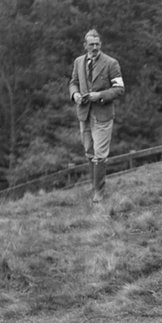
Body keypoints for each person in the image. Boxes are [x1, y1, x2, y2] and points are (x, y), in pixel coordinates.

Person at [69, 29, 124, 203]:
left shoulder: (111, 63)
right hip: (84, 114)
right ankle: (94, 187)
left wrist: (99, 95)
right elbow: (73, 82)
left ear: (100, 45)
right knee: (89, 151)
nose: (94, 47)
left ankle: (99, 192)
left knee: (100, 153)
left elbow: (119, 89)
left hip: (103, 114)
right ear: (85, 45)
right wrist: (75, 94)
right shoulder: (78, 62)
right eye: (91, 44)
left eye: (97, 44)